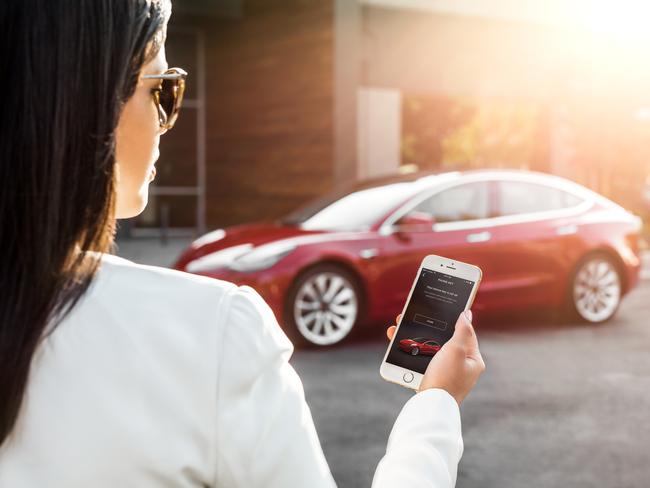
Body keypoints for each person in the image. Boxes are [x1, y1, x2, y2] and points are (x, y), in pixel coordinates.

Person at [0, 1, 485, 486]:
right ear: (84, 99)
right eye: (164, 89)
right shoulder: (213, 334)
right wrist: (436, 404)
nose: (170, 119)